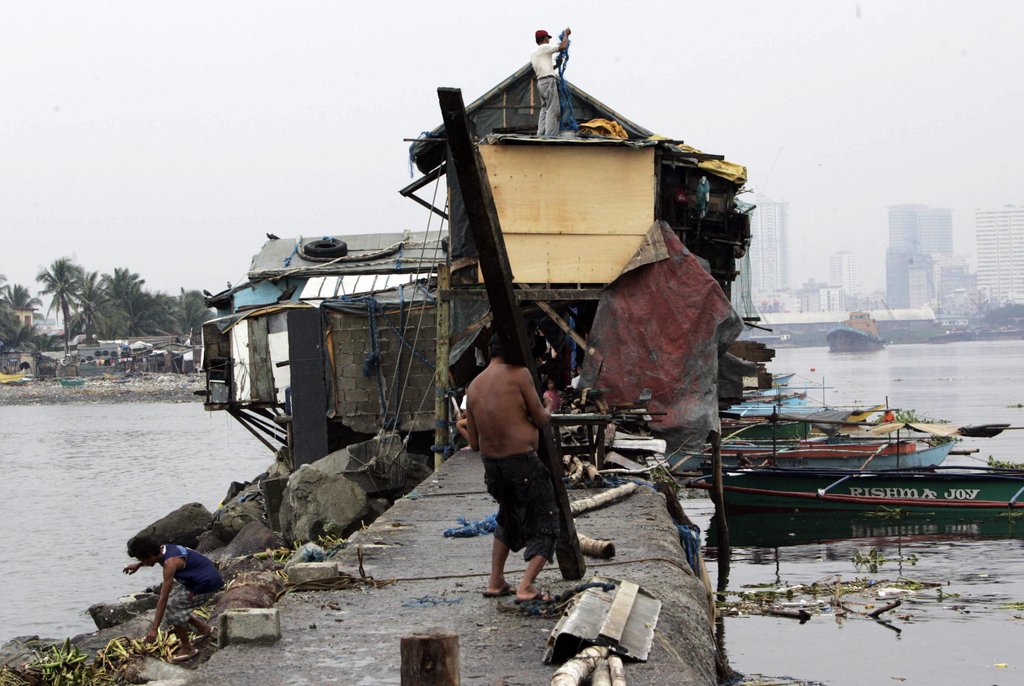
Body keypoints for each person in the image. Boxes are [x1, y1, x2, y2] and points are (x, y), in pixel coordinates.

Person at [465, 334, 558, 603]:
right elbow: (540, 419)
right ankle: (526, 586)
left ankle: (495, 580)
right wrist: (548, 405)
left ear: (490, 352)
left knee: (508, 517)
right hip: (522, 464)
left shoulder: (474, 386)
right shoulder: (520, 374)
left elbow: (474, 443)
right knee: (547, 520)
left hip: (493, 468)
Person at [124, 535, 224, 663]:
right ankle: (203, 628)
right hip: (198, 579)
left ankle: (188, 648)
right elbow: (152, 557)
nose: (143, 562)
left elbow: (163, 598)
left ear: (149, 555)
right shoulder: (164, 549)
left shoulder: (170, 563)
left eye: (142, 559)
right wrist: (138, 565)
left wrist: (154, 629)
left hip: (206, 585)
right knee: (174, 603)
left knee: (172, 607)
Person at [530, 28, 572, 137]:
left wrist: (557, 65)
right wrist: (566, 35)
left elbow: (546, 67)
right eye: (548, 38)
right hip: (548, 81)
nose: (549, 41)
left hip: (541, 82)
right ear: (545, 39)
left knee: (544, 108)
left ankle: (541, 133)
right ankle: (550, 135)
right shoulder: (544, 47)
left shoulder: (534, 53)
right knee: (553, 109)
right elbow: (562, 46)